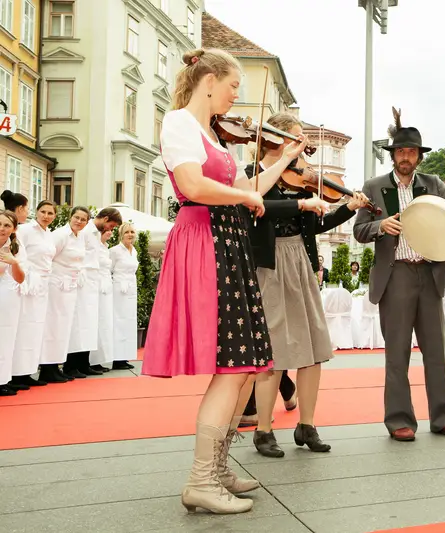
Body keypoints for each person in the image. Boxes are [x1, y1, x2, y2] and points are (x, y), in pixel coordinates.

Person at [141, 48, 306, 515]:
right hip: (207, 241)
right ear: (209, 80)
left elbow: (247, 190)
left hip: (225, 242)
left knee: (247, 364)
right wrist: (242, 197)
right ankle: (201, 479)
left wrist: (281, 160)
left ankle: (216, 469)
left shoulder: (211, 134)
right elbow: (193, 186)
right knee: (233, 365)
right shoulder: (180, 123)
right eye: (234, 85)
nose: (237, 95)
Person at [245, 111, 367, 458]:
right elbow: (259, 207)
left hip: (300, 259)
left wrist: (348, 208)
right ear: (276, 137)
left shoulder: (301, 179)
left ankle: (307, 424)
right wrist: (300, 203)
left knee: (312, 347)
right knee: (274, 350)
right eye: (296, 137)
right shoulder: (253, 176)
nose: (302, 144)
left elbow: (316, 225)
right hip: (270, 264)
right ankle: (263, 429)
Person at [353, 108, 445, 441]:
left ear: (419, 156)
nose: (405, 157)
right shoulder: (374, 187)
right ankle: (399, 420)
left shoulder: (433, 184)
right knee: (397, 354)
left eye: (411, 152)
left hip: (431, 273)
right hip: (395, 276)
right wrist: (380, 226)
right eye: (400, 151)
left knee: (436, 352)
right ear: (392, 154)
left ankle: (443, 416)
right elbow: (359, 230)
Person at [63, 207, 122, 378]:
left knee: (90, 325)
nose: (110, 229)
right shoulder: (86, 231)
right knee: (79, 325)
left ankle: (84, 363)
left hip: (92, 284)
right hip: (83, 281)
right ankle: (71, 365)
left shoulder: (96, 234)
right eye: (111, 225)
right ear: (105, 218)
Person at [38, 207, 90, 384]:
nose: (79, 221)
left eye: (83, 219)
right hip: (56, 284)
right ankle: (47, 367)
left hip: (70, 286)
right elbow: (48, 257)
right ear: (70, 217)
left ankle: (56, 365)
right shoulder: (60, 235)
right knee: (52, 325)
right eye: (76, 217)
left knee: (64, 327)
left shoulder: (80, 237)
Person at [11, 200, 57, 388]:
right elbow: (16, 253)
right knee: (24, 327)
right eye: (43, 212)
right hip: (29, 283)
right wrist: (27, 277)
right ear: (36, 212)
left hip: (43, 285)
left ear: (54, 216)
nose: (46, 216)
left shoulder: (49, 234)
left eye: (50, 213)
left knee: (37, 329)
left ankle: (28, 371)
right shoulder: (25, 230)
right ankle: (16, 374)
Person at [0, 211, 26, 396]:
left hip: (8, 297)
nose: (2, 228)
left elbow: (20, 278)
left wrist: (14, 262)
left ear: (14, 229)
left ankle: (2, 380)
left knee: (6, 338)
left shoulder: (16, 247)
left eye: (7, 225)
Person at [109, 223, 139, 370]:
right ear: (121, 234)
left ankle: (125, 355)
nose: (130, 234)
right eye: (127, 232)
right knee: (119, 321)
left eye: (132, 232)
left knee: (129, 321)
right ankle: (117, 358)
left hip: (131, 288)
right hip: (119, 289)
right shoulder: (114, 251)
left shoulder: (134, 251)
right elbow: (109, 269)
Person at [89, 228, 115, 372]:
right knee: (97, 322)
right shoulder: (96, 246)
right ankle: (92, 360)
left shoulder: (106, 247)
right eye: (107, 230)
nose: (109, 233)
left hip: (106, 286)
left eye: (111, 230)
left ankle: (98, 359)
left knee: (105, 323)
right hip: (98, 285)